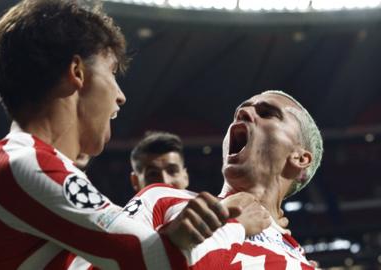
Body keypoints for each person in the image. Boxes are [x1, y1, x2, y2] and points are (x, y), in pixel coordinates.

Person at [0, 0, 257, 269]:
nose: (120, 96)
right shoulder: (27, 163)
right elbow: (156, 262)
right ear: (77, 72)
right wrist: (238, 225)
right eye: (112, 73)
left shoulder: (5, 166)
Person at [123, 90, 323, 268]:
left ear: (299, 158)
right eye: (240, 111)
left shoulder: (300, 263)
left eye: (266, 113)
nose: (242, 113)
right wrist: (229, 222)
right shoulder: (162, 199)